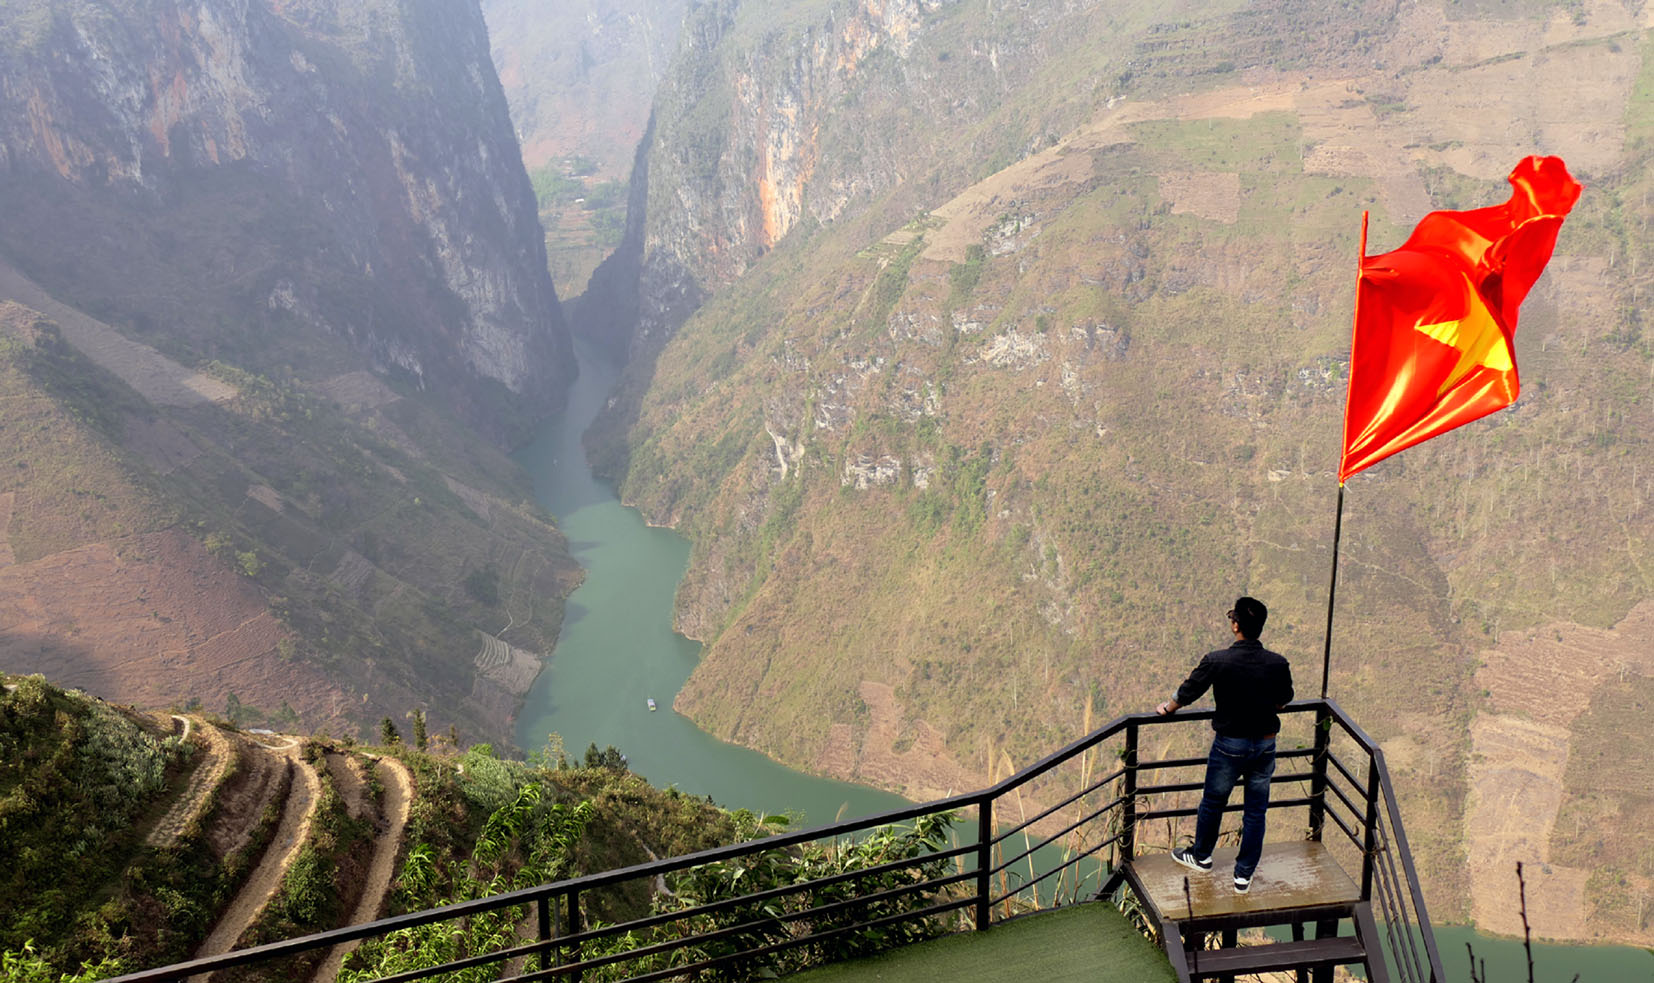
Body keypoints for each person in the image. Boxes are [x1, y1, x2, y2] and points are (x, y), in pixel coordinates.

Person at [1156, 596, 1294, 894]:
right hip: (1265, 745)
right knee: (1256, 811)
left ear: (1235, 626)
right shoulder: (1278, 663)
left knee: (1214, 801)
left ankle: (1202, 856)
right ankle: (1243, 875)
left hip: (1230, 745)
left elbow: (1189, 690)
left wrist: (1168, 708)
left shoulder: (1218, 660)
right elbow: (1284, 699)